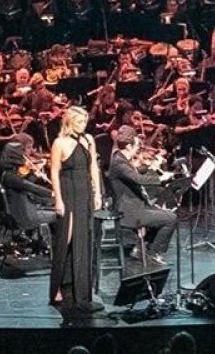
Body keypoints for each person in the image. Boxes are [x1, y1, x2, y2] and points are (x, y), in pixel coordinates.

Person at [48, 106, 102, 312]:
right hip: (68, 191)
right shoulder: (59, 143)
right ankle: (56, 288)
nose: (83, 126)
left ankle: (82, 293)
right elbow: (54, 172)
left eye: (85, 122)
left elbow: (93, 168)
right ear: (70, 122)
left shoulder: (89, 140)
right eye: (79, 122)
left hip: (85, 191)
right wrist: (59, 200)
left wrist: (97, 193)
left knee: (84, 239)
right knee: (66, 239)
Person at [106, 128, 178, 265]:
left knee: (163, 212)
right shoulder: (119, 162)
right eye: (136, 146)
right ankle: (153, 253)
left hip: (133, 206)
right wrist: (161, 178)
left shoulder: (120, 157)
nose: (138, 150)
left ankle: (141, 248)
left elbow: (133, 172)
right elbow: (137, 179)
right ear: (128, 146)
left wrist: (149, 167)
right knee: (171, 218)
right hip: (128, 211)